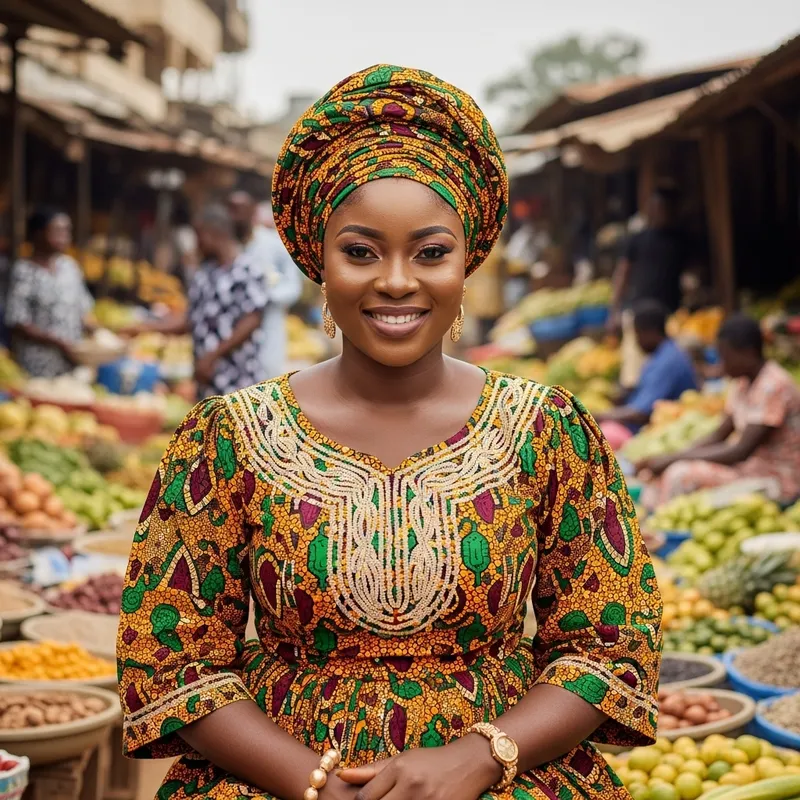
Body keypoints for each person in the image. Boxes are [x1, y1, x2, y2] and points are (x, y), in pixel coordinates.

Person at [117, 65, 661, 800]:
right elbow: (172, 657)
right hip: (272, 779)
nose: (397, 281)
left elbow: (608, 645)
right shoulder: (227, 438)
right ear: (318, 260)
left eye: (430, 252)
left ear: (467, 260)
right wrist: (312, 781)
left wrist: (482, 755)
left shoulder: (547, 430)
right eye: (362, 251)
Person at [640, 313, 800, 507]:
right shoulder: (742, 383)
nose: (721, 365)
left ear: (748, 353)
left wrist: (674, 459)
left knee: (680, 474)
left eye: (725, 357)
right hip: (748, 470)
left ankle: (665, 531)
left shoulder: (773, 386)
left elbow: (740, 451)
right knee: (663, 473)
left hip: (777, 481)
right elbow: (719, 434)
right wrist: (671, 457)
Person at [132, 204, 268, 399]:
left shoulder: (248, 269)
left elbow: (253, 319)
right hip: (206, 382)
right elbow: (190, 320)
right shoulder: (204, 273)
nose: (197, 245)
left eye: (199, 236)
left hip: (238, 381)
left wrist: (213, 356)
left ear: (214, 234)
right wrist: (145, 328)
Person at [610, 189, 693, 390]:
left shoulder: (680, 240)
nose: (661, 213)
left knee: (663, 365)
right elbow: (623, 274)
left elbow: (691, 274)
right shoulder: (637, 240)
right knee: (633, 369)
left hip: (670, 314)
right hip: (638, 313)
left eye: (665, 209)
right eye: (657, 208)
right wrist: (614, 310)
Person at [596, 301, 698, 451]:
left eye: (637, 333)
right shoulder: (662, 354)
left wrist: (597, 416)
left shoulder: (667, 361)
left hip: (656, 433)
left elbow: (641, 413)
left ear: (650, 331)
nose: (636, 340)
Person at [5, 208, 94, 377]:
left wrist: (99, 336)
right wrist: (57, 342)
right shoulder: (24, 272)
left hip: (71, 364)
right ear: (38, 234)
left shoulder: (70, 267)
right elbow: (16, 321)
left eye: (67, 231)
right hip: (37, 365)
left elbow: (83, 310)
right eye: (58, 231)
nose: (65, 237)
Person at [228, 190, 303, 378]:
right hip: (232, 332)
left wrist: (264, 296)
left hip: (268, 325)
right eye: (230, 209)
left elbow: (293, 286)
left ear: (252, 212)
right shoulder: (226, 247)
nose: (234, 216)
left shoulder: (273, 245)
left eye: (240, 210)